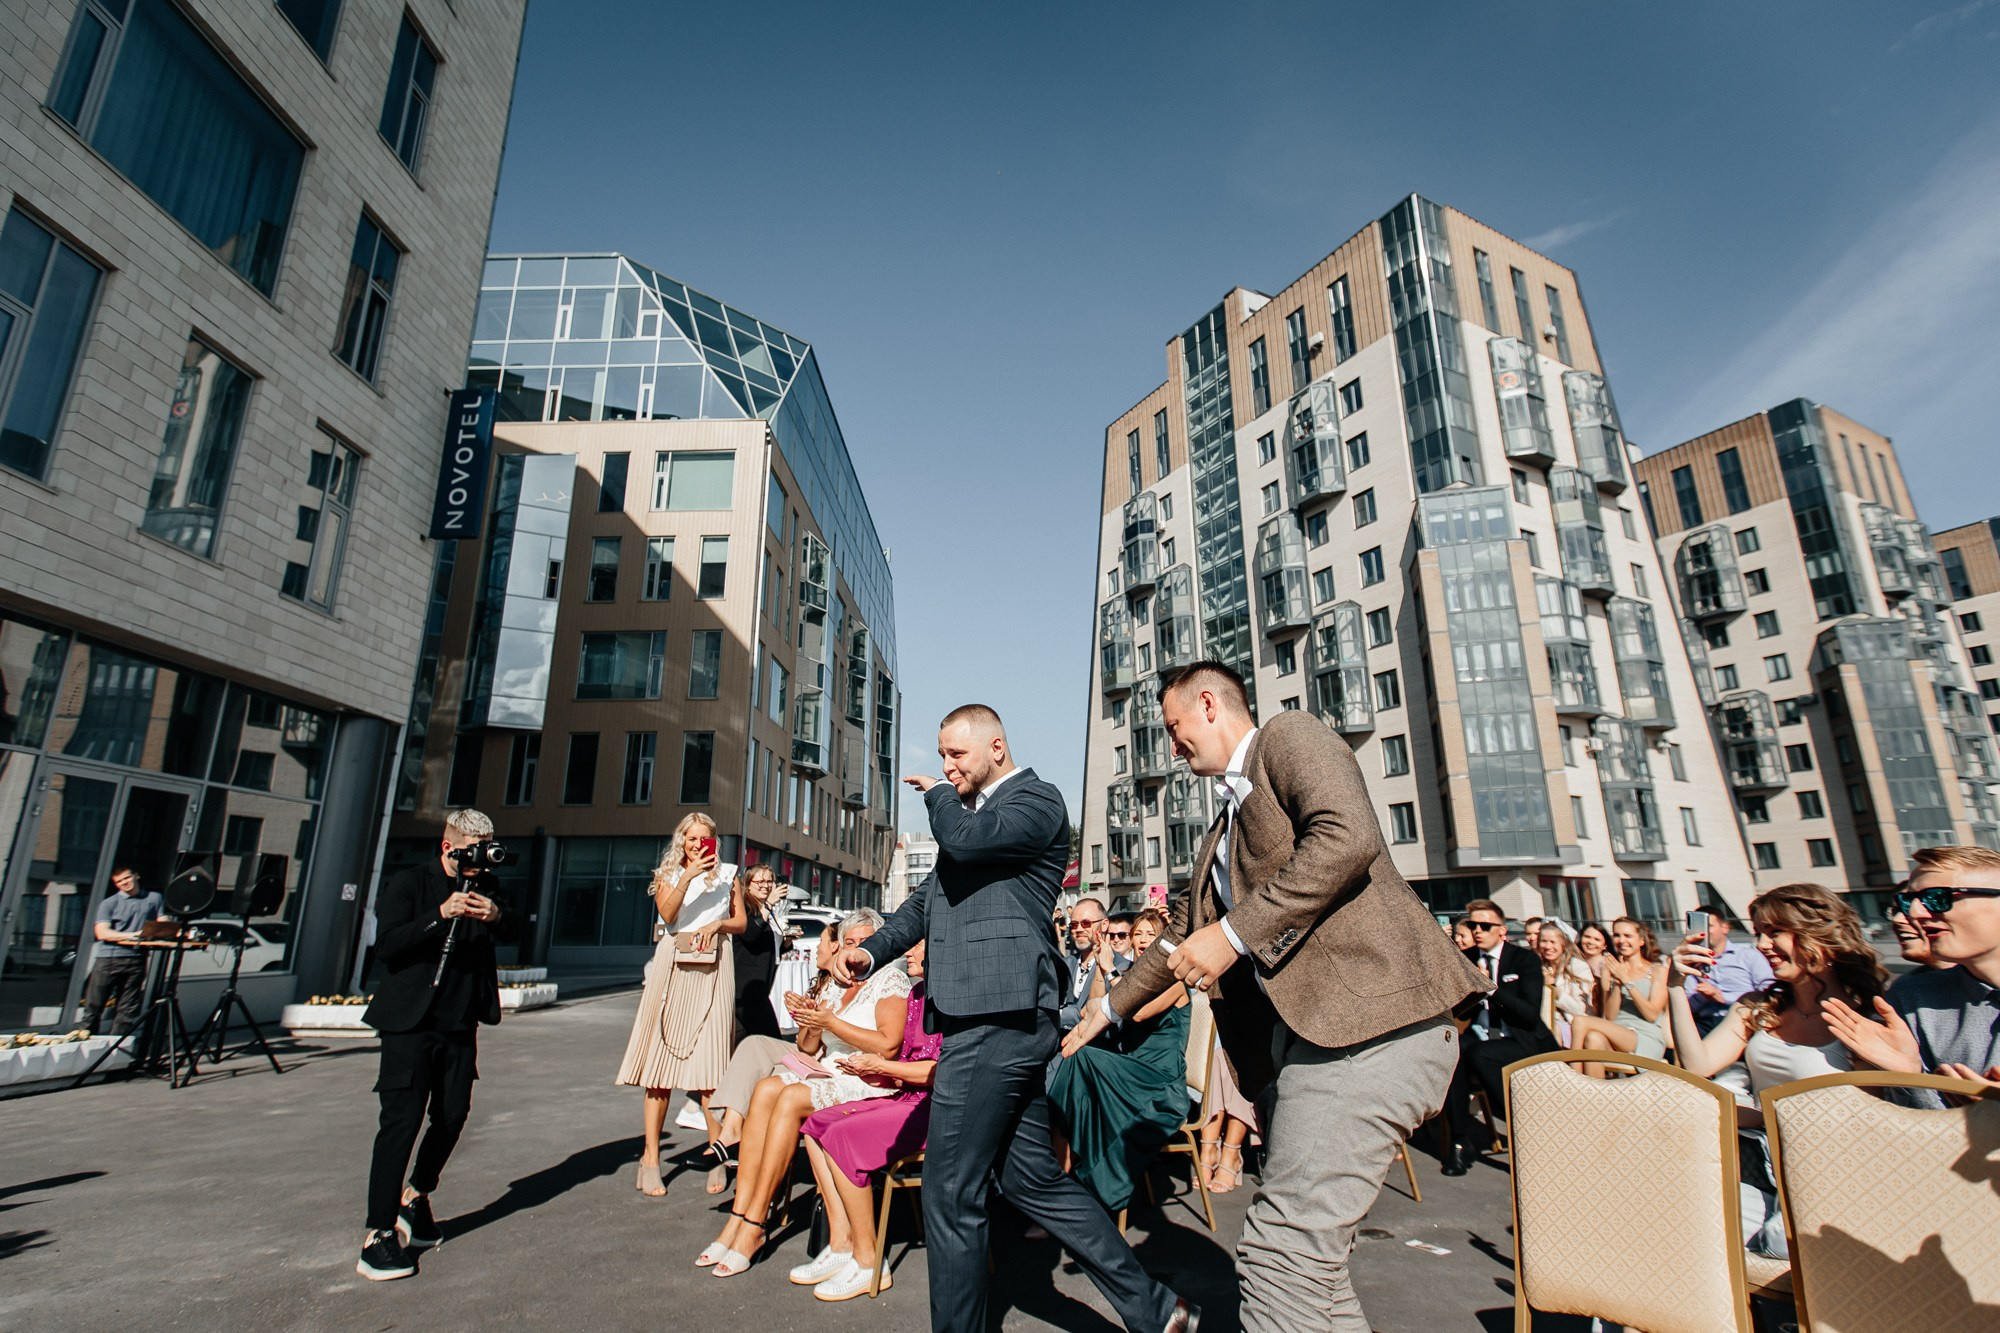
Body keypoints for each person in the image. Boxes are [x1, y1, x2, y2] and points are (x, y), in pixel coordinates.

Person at [1064, 663, 1485, 1333]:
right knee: (1308, 1274)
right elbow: (1177, 937)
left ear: (1208, 703)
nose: (1172, 748)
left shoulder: (1288, 736)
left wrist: (1232, 934)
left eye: (1174, 729)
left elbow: (1347, 836)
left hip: (1370, 1029)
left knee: (1276, 1258)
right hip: (1309, 1049)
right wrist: (1108, 1007)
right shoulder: (1220, 832)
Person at [831, 703, 1193, 1333]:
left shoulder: (1036, 801)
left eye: (956, 755)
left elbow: (965, 842)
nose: (946, 767)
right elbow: (924, 903)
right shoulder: (968, 823)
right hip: (996, 1023)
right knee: (1032, 1183)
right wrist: (869, 950)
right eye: (941, 757)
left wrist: (940, 796)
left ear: (995, 747)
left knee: (950, 1194)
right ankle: (1159, 1310)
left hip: (997, 1017)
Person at [1664, 882, 1886, 1256]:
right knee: (1680, 1221)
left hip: (1834, 1174)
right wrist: (1674, 986)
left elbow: (1868, 1115)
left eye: (1775, 932)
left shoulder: (1866, 1013)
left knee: (1777, 1245)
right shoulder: (1758, 1007)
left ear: (1818, 932)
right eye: (1758, 934)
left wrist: (1759, 1115)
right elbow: (1697, 1064)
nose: (1762, 946)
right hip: (1763, 1165)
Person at [700, 911, 911, 1279]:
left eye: (864, 942)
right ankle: (740, 1214)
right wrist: (813, 1022)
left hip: (868, 1078)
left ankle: (754, 1222)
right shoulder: (836, 983)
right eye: (848, 942)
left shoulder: (889, 980)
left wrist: (833, 1023)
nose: (856, 950)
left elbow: (888, 1045)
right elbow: (806, 1046)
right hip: (828, 1070)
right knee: (766, 1087)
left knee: (791, 1097)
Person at [355, 808, 510, 1281]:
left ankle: (416, 1195)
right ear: (448, 847)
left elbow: (517, 928)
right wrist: (440, 915)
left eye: (484, 855)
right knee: (400, 1124)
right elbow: (388, 947)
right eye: (470, 854)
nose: (478, 865)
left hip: (459, 1023)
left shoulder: (486, 888)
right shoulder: (410, 884)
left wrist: (497, 914)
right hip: (409, 1023)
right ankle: (377, 1235)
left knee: (452, 1115)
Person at [791, 942, 943, 1301]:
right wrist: (878, 1073)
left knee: (841, 1135)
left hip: (936, 1108)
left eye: (917, 944)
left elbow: (942, 1071)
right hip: (907, 1095)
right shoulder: (918, 992)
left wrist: (884, 1067)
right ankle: (843, 1243)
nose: (908, 951)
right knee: (816, 1127)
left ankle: (869, 1259)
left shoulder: (950, 998)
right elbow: (905, 1062)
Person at [615, 813, 745, 1197]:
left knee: (711, 1071)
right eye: (692, 839)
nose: (698, 845)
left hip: (715, 965)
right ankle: (651, 1158)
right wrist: (688, 875)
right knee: (660, 1069)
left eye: (706, 839)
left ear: (715, 841)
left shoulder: (729, 874)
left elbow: (739, 923)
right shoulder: (667, 873)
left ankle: (717, 1153)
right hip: (673, 964)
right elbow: (668, 914)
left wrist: (717, 926)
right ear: (681, 840)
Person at [1047, 908, 1191, 1211]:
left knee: (1082, 1061)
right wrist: (1102, 968)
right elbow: (1091, 1009)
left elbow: (1136, 1010)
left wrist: (1112, 973)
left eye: (1150, 935)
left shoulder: (1174, 980)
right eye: (1137, 933)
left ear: (1164, 940)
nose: (1142, 940)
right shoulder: (1127, 978)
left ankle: (1079, 1176)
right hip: (1130, 1074)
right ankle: (1064, 1172)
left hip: (1159, 1084)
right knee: (1076, 1062)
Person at [1823, 845, 2000, 1091]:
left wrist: (1989, 1112)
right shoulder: (1913, 997)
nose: (1915, 914)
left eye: (1938, 898)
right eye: (1907, 901)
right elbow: (1906, 1120)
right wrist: (1910, 1076)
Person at [702, 920, 843, 1195]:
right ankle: (731, 1128)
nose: (816, 946)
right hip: (814, 1052)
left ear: (836, 947)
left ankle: (759, 1185)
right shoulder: (823, 981)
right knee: (753, 1046)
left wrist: (820, 1022)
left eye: (823, 941)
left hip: (835, 1061)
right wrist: (805, 1018)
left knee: (767, 1083)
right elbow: (806, 1046)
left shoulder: (855, 981)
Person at [1440, 899, 1558, 1176]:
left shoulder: (1523, 959)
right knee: (1453, 1053)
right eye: (1472, 925)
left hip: (1522, 1039)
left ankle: (1525, 1130)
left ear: (1502, 930)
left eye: (1484, 925)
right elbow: (1454, 1009)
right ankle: (1459, 1141)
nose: (1477, 930)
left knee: (1478, 1054)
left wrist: (1490, 988)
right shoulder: (1466, 960)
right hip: (1481, 1036)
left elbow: (1529, 1014)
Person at [1566, 917, 1670, 1076]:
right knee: (1593, 1038)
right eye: (1617, 935)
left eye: (1627, 936)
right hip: (1617, 1032)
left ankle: (1573, 1080)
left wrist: (1627, 981)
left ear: (1641, 940)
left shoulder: (1658, 971)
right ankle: (1594, 1096)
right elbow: (1610, 1016)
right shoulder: (1611, 968)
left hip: (1644, 1037)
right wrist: (1618, 983)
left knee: (1580, 1021)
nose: (1621, 941)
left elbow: (1651, 1015)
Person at [80, 868, 160, 1036]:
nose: (125, 883)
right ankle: (86, 1045)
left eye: (127, 878)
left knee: (127, 1009)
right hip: (109, 959)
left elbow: (162, 923)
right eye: (119, 881)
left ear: (136, 875)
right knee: (94, 1006)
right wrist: (133, 936)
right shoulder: (109, 903)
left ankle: (115, 1049)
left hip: (137, 958)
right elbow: (102, 933)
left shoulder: (154, 898)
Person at [1684, 910, 1774, 1035]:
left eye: (1709, 926)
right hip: (1705, 1023)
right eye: (1699, 928)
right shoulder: (1693, 962)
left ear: (1725, 928)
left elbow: (1768, 993)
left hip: (1744, 1020)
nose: (1703, 933)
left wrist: (1723, 998)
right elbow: (1687, 1007)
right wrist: (1702, 997)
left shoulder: (1748, 955)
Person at [1533, 918, 1594, 1047]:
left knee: (1552, 1031)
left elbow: (1580, 1009)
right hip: (1543, 1024)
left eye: (1553, 942)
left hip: (1574, 1027)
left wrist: (1554, 989)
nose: (1548, 947)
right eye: (1544, 941)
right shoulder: (1536, 966)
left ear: (1563, 944)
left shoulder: (1578, 967)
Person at [1058, 896, 1114, 1034]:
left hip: (1101, 1049)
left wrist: (1057, 1014)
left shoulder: (1120, 967)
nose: (1079, 929)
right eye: (1074, 924)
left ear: (1105, 924)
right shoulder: (1064, 965)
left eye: (1086, 923)